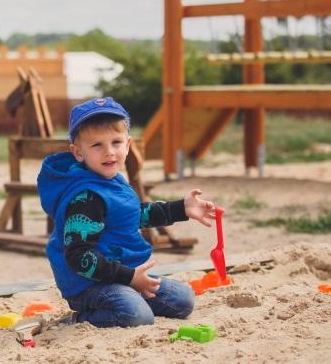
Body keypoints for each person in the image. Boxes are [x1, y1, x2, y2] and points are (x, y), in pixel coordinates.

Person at [37, 97, 216, 328]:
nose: (109, 152)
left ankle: (130, 296)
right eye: (97, 145)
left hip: (123, 274)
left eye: (116, 142)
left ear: (128, 145)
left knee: (183, 300)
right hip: (89, 284)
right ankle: (79, 319)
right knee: (137, 316)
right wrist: (130, 278)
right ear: (78, 153)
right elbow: (78, 256)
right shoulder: (86, 197)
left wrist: (182, 208)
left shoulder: (112, 181)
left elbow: (132, 215)